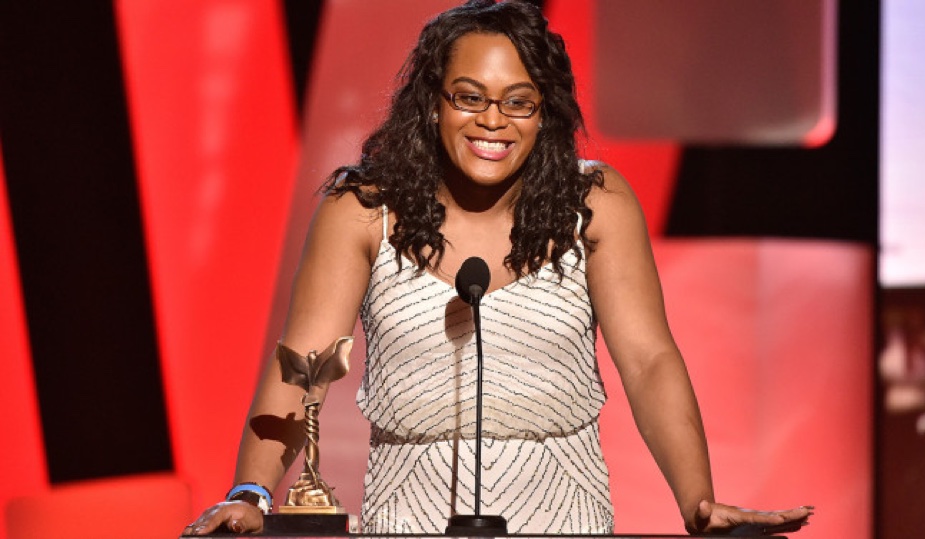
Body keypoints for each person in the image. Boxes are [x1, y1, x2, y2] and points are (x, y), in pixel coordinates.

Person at [183, 0, 812, 535]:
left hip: (565, 512)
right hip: (411, 515)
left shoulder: (594, 203)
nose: (493, 121)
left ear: (546, 113)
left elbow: (649, 361)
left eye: (519, 102)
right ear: (433, 102)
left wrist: (697, 503)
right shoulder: (363, 210)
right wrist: (252, 494)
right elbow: (301, 370)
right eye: (470, 97)